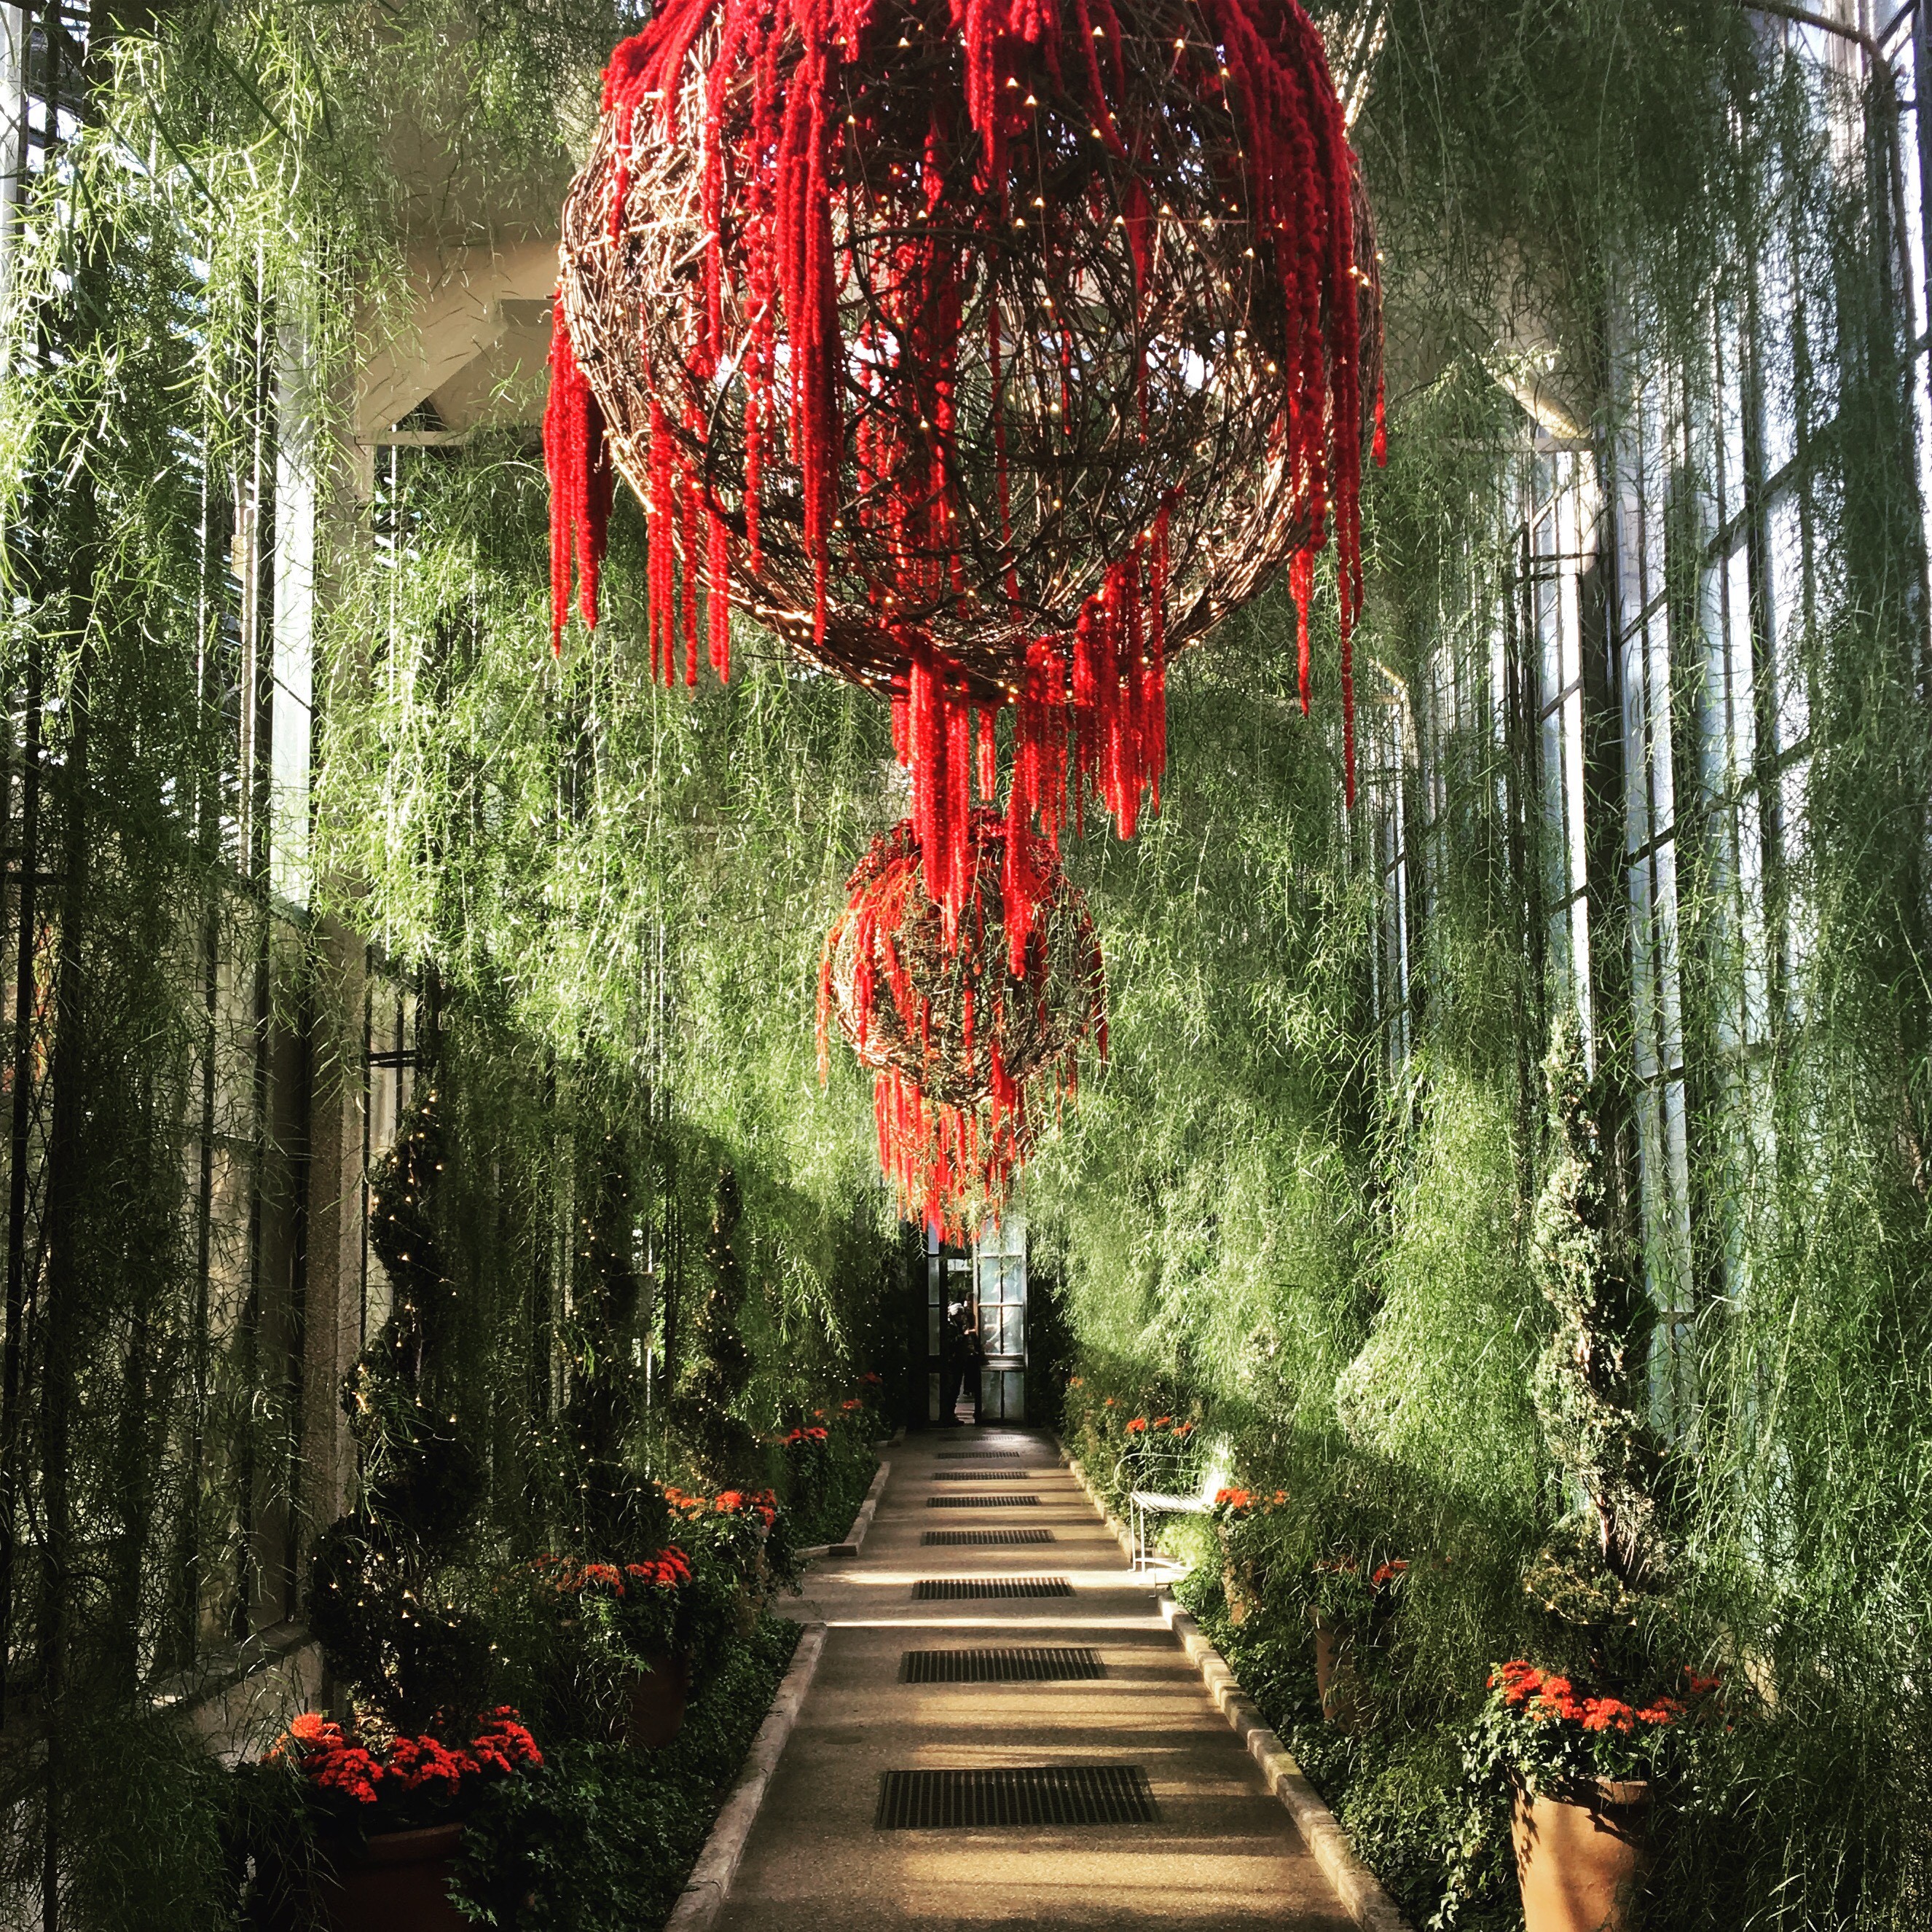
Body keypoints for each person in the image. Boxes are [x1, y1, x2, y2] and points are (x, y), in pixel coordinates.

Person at [937, 1296, 966, 1424]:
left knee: (955, 1389)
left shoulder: (958, 1326)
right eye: (959, 1315)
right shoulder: (950, 1328)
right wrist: (962, 1337)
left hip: (958, 1362)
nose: (961, 1317)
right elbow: (949, 1344)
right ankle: (948, 1414)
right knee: (951, 1388)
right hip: (952, 1362)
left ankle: (951, 1413)